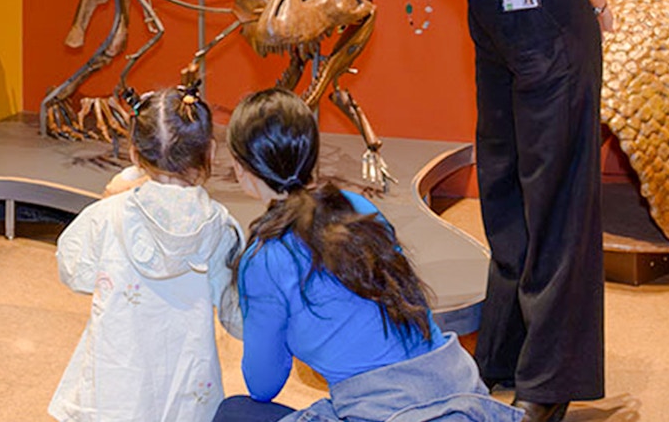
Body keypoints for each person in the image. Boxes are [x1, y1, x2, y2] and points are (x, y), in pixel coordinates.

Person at [330, 0, 609, 422]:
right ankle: (506, 359)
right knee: (506, 188)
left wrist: (600, 8)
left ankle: (549, 384)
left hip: (549, 13)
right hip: (497, 19)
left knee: (556, 197)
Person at [212, 88, 523, 422]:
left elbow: (262, 385)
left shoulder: (265, 258)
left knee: (235, 412)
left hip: (387, 412)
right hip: (459, 393)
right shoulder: (357, 207)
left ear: (242, 166)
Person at [48, 83, 244, 422]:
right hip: (188, 382)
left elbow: (73, 272)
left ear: (134, 154)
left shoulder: (108, 214)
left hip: (116, 381)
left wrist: (110, 197)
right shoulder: (221, 228)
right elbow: (236, 315)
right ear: (210, 153)